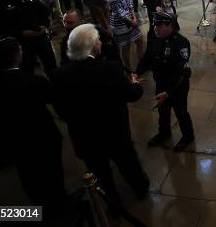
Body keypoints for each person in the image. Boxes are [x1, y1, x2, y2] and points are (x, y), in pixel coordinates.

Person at [50, 24, 149, 206]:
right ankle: (140, 189)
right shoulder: (110, 70)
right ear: (92, 45)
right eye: (98, 40)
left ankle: (111, 201)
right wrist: (135, 83)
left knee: (99, 172)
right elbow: (132, 95)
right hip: (115, 132)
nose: (102, 42)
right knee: (127, 163)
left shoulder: (58, 75)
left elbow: (60, 109)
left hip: (84, 136)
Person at [0, 38, 66, 206]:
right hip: (41, 136)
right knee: (52, 171)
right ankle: (59, 201)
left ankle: (38, 204)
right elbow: (53, 99)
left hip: (11, 139)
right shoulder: (35, 82)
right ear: (17, 57)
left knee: (26, 173)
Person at [134, 12, 194, 152]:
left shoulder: (181, 43)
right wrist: (136, 73)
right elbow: (147, 58)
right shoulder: (155, 38)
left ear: (170, 26)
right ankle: (164, 133)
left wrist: (168, 93)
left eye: (159, 25)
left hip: (177, 86)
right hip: (161, 82)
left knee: (181, 112)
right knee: (163, 110)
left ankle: (188, 136)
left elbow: (179, 73)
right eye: (155, 24)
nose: (156, 27)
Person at [107, 0, 144, 72]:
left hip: (130, 20)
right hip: (120, 24)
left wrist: (134, 16)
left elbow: (129, 3)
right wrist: (131, 21)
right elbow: (119, 11)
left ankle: (141, 65)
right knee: (126, 47)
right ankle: (129, 70)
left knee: (140, 41)